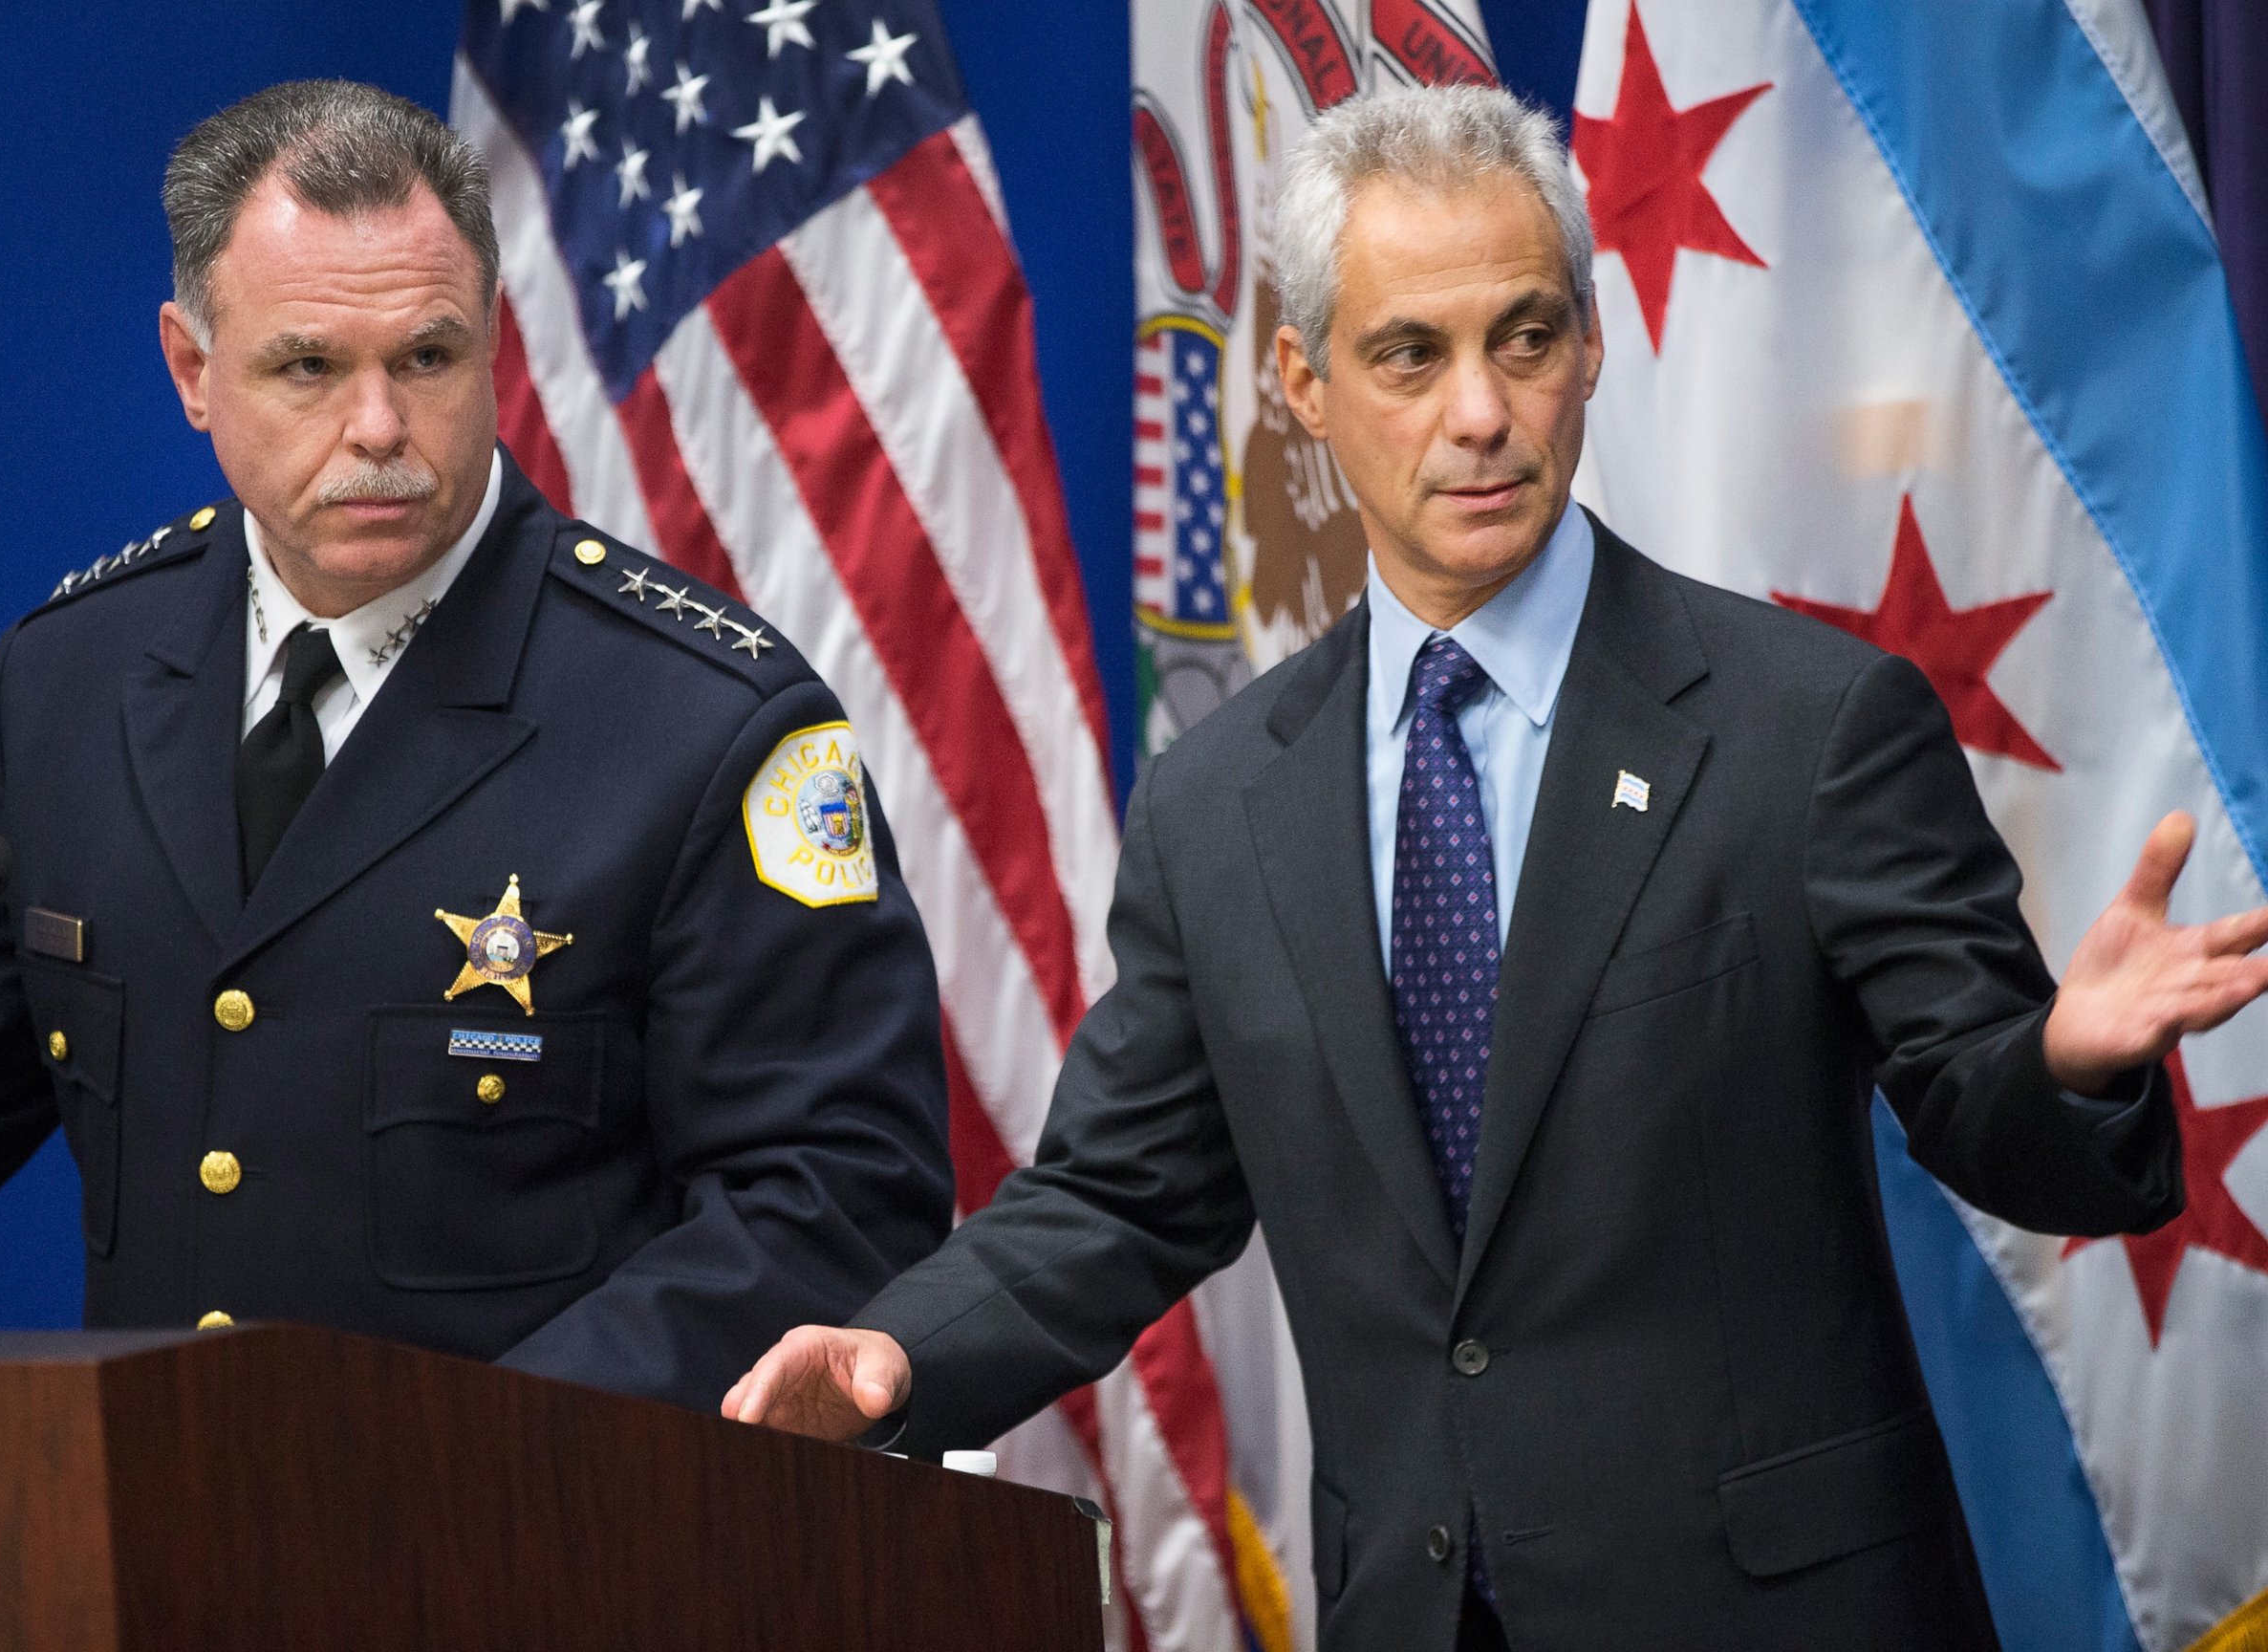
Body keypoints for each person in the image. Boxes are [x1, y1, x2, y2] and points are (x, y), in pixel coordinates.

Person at [724, 83, 2268, 1649]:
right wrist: (895, 1362)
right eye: (1412, 354)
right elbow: (1120, 1198)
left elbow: (1995, 1114)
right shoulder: (1219, 809)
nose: (1481, 412)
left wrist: (2068, 1060)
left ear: (1590, 348)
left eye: (1524, 339)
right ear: (1303, 385)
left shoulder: (1807, 726)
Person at [0, 80, 954, 1410]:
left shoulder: (702, 722)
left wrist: (469, 1456)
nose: (381, 430)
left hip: (532, 1550)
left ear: (495, 348)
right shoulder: (72, 681)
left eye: (427, 357)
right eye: (309, 367)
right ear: (191, 370)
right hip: (150, 1550)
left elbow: (837, 1203)